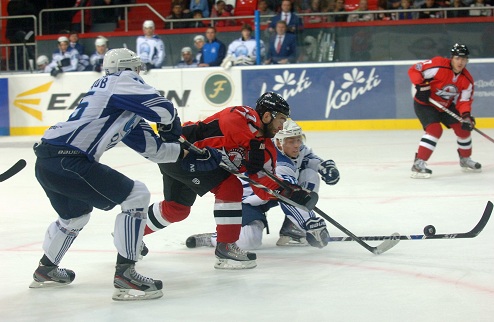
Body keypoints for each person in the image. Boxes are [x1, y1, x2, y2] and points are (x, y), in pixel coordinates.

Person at [28, 48, 220, 301]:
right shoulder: (120, 81)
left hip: (49, 161)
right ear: (129, 68)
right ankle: (126, 274)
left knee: (74, 217)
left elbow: (155, 150)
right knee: (137, 195)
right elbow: (164, 109)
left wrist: (189, 155)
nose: (140, 74)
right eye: (137, 68)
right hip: (69, 159)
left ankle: (46, 269)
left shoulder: (119, 106)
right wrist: (169, 123)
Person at [143, 92, 315, 269]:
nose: (282, 126)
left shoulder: (267, 149)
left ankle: (132, 232)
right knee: (230, 186)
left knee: (176, 210)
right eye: (281, 118)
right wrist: (252, 144)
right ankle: (226, 248)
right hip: (181, 149)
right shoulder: (244, 115)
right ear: (266, 116)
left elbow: (262, 186)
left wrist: (287, 192)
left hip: (193, 165)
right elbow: (228, 121)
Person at [185, 119, 340, 250]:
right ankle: (213, 238)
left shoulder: (295, 148)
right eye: (291, 141)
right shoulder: (279, 164)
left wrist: (325, 166)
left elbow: (308, 158)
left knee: (310, 174)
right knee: (249, 241)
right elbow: (290, 197)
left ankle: (292, 229)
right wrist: (309, 222)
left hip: (273, 193)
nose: (297, 145)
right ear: (278, 143)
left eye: (299, 139)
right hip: (251, 199)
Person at [408, 43, 481, 178]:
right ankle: (419, 164)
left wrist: (466, 116)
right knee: (435, 130)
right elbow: (414, 70)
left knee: (463, 128)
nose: (460, 62)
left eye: (464, 59)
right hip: (425, 104)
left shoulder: (467, 79)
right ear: (452, 58)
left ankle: (465, 159)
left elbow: (464, 101)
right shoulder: (438, 65)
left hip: (445, 106)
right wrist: (422, 85)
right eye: (458, 58)